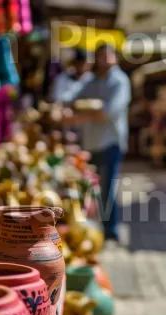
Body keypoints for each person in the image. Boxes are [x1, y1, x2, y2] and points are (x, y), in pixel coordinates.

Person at [65, 44, 131, 242]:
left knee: (106, 188)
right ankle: (92, 227)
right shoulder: (92, 81)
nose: (102, 60)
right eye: (99, 56)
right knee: (90, 187)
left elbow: (108, 112)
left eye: (106, 56)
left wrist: (81, 116)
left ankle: (110, 231)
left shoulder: (119, 81)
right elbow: (70, 99)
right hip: (91, 143)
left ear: (114, 57)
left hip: (110, 142)